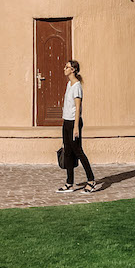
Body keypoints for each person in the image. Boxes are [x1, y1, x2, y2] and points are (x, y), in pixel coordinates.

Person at [57, 59, 96, 193]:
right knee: (67, 152)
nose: (64, 69)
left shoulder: (77, 87)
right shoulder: (69, 84)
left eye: (67, 67)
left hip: (74, 123)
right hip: (66, 122)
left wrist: (75, 127)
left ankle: (91, 180)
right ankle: (69, 183)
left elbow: (78, 108)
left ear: (73, 70)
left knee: (78, 151)